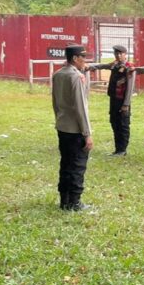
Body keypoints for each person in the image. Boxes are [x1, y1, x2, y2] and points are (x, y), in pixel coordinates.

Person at [52, 44, 95, 211]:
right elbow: (80, 107)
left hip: (62, 126)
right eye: (83, 57)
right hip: (76, 129)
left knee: (66, 164)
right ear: (75, 58)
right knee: (77, 166)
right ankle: (75, 202)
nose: (85, 60)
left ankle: (65, 200)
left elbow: (55, 102)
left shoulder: (58, 74)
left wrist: (59, 119)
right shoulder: (76, 77)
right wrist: (87, 133)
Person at [88, 44, 135, 156]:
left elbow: (130, 87)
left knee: (123, 124)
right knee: (114, 123)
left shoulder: (129, 67)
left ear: (125, 54)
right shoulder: (114, 65)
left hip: (122, 100)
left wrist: (126, 104)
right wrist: (88, 66)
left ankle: (122, 150)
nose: (118, 56)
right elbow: (102, 66)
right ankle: (117, 149)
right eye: (116, 53)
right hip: (113, 98)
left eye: (120, 53)